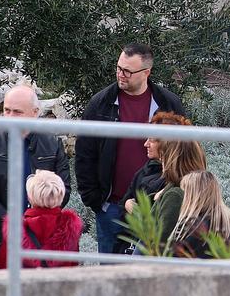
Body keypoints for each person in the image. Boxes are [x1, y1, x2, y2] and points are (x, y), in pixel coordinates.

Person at [76, 42, 187, 254]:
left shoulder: (168, 103)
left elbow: (185, 151)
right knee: (112, 275)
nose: (121, 74)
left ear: (146, 72)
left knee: (150, 277)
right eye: (118, 68)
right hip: (111, 209)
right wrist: (96, 201)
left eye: (127, 71)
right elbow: (84, 155)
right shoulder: (100, 104)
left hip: (157, 211)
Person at [0, 82, 71, 268]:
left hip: (41, 241)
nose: (9, 117)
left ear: (35, 113)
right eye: (6, 110)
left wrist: (36, 222)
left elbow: (63, 189)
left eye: (17, 112)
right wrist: (11, 224)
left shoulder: (52, 144)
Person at [124, 137, 207, 255]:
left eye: (165, 155)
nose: (161, 159)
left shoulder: (175, 195)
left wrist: (133, 209)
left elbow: (159, 242)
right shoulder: (191, 189)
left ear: (174, 160)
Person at [0, 170, 84, 269]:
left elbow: (3, 264)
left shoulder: (15, 229)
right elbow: (73, 265)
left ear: (30, 197)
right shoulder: (69, 228)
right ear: (61, 194)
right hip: (60, 283)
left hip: (25, 283)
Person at [122, 111, 193, 208]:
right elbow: (125, 202)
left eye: (151, 140)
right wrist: (126, 204)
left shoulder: (181, 181)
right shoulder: (147, 168)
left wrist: (131, 207)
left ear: (167, 143)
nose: (146, 144)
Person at [166, 170, 230, 258]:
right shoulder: (228, 222)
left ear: (192, 196)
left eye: (184, 192)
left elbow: (174, 257)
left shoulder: (194, 227)